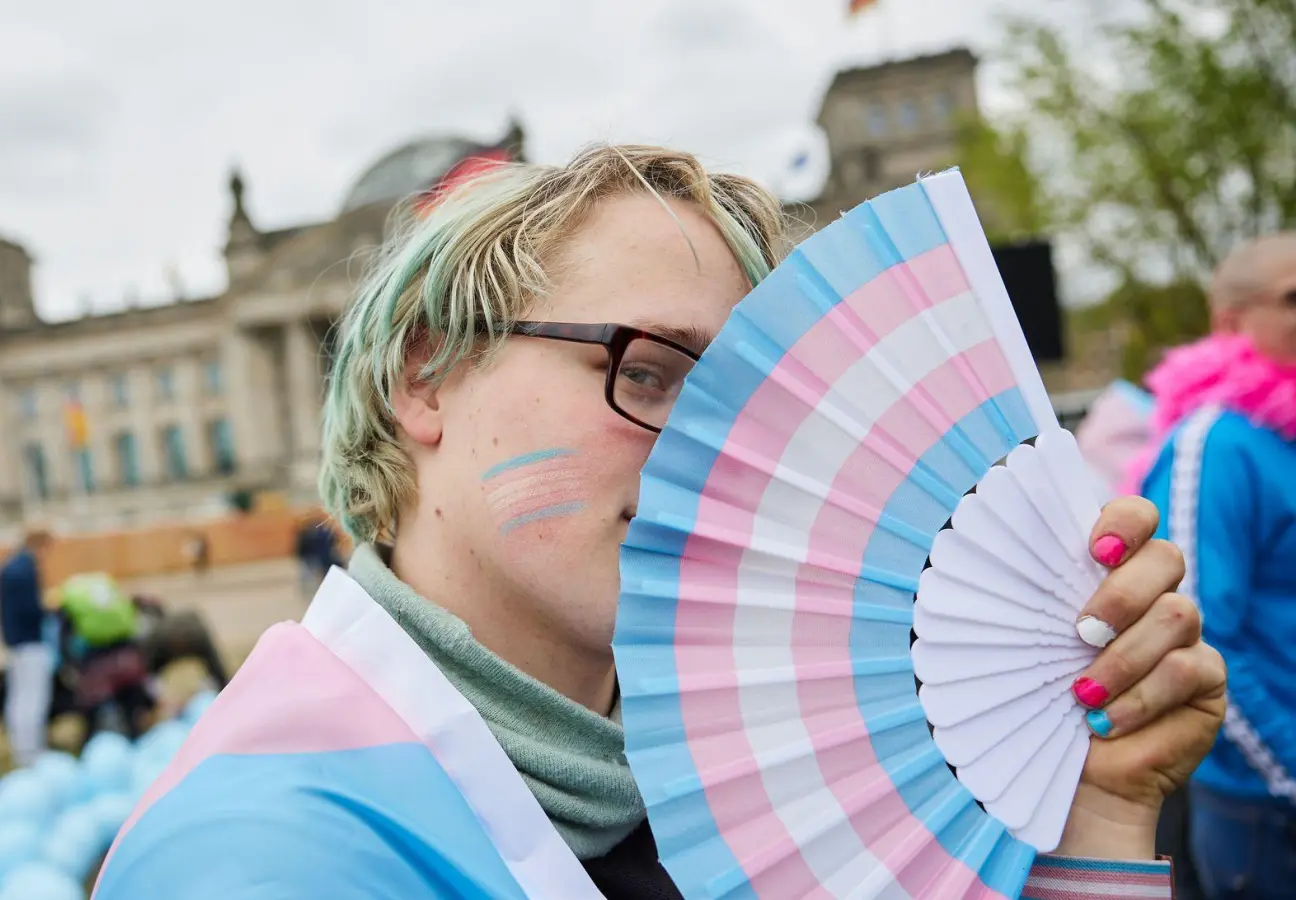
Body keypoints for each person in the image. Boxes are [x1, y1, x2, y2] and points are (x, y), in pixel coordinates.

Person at [93, 146, 1227, 898]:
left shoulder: (728, 786)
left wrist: (1095, 819)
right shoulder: (262, 862)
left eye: (748, 400)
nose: (716, 455)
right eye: (649, 370)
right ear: (425, 379)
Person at [1137, 233, 1296, 899]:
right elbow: (1194, 633)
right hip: (1262, 810)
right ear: (1233, 322)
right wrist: (1288, 769)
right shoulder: (1217, 441)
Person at [53, 572, 157, 740]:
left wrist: (71, 667)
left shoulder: (71, 600)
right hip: (127, 660)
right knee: (133, 712)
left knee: (92, 714)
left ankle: (95, 746)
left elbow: (63, 641)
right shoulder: (106, 588)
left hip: (96, 664)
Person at [0, 526, 55, 766]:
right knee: (33, 699)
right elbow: (31, 609)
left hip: (14, 642)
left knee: (18, 699)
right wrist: (49, 610)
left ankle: (21, 750)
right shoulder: (25, 569)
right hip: (29, 641)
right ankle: (32, 753)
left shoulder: (7, 567)